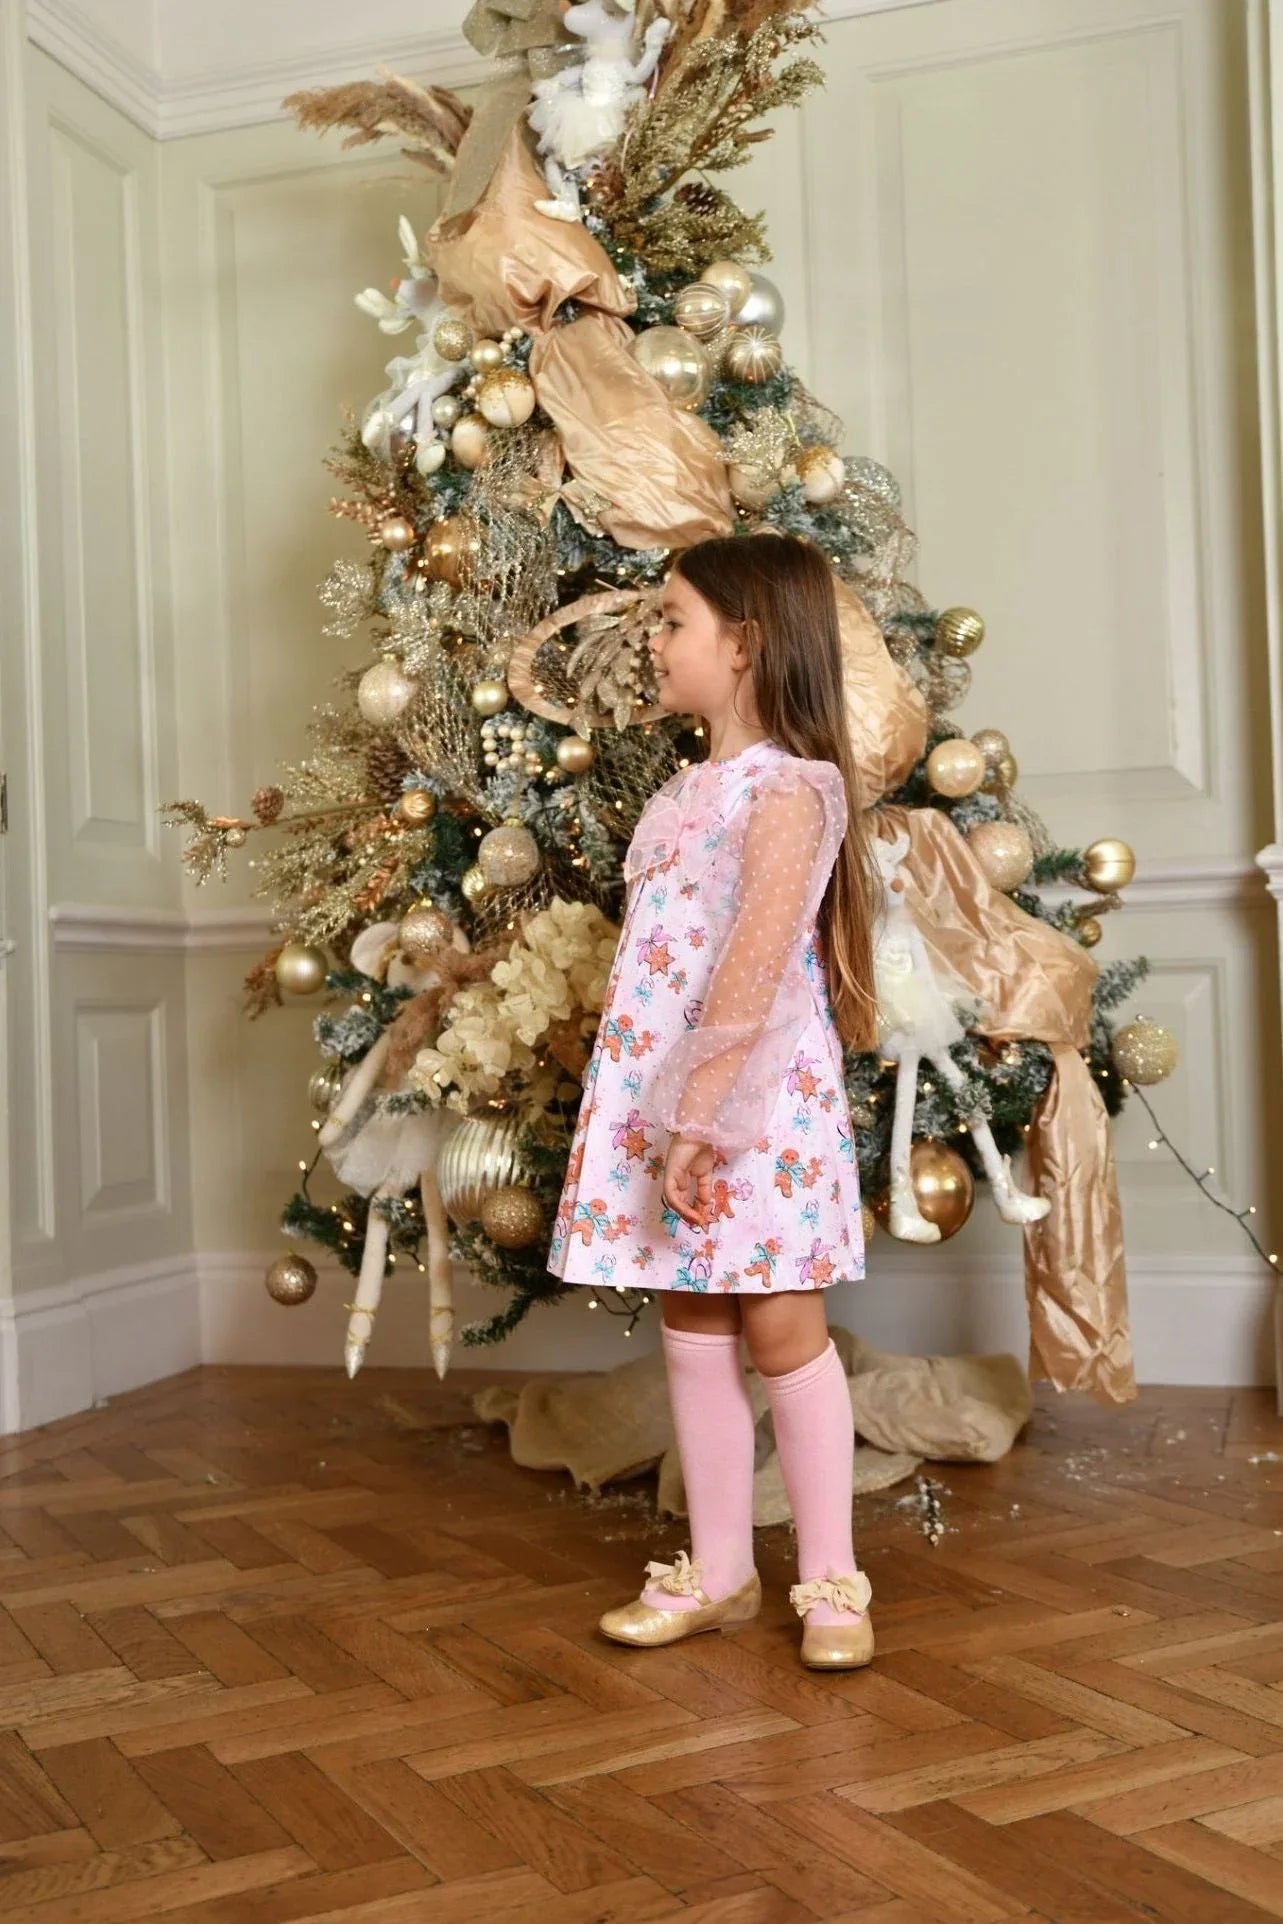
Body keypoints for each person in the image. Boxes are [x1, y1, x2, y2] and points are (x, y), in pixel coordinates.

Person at [547, 530, 881, 1670]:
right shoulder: (685, 789)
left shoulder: (791, 788)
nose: (652, 638)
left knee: (780, 1325)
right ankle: (721, 1569)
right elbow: (661, 961)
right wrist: (658, 1111)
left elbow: (751, 959)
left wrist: (702, 1118)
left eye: (670, 620)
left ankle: (830, 1579)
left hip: (751, 1107)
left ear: (740, 645)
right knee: (689, 1318)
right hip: (674, 1096)